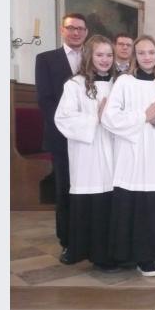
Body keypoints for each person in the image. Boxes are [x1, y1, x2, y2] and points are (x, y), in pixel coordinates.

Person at [101, 35, 155, 276]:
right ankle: (143, 257)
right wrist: (143, 117)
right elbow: (109, 117)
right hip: (132, 153)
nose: (147, 57)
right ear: (134, 56)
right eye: (141, 53)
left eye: (150, 52)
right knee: (139, 204)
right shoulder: (124, 83)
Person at [54, 35, 118, 271]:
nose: (105, 60)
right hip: (88, 152)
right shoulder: (75, 84)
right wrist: (96, 119)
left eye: (109, 55)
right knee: (91, 200)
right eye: (99, 55)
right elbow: (63, 118)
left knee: (110, 201)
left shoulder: (119, 84)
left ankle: (108, 254)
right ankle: (85, 250)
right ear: (89, 56)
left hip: (113, 150)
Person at [35, 12, 89, 264]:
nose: (76, 32)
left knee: (89, 188)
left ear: (86, 32)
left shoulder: (93, 57)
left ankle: (90, 238)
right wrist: (70, 128)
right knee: (65, 190)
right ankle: (68, 242)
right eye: (71, 28)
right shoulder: (46, 59)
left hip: (91, 139)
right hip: (62, 138)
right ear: (62, 30)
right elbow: (45, 100)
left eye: (80, 28)